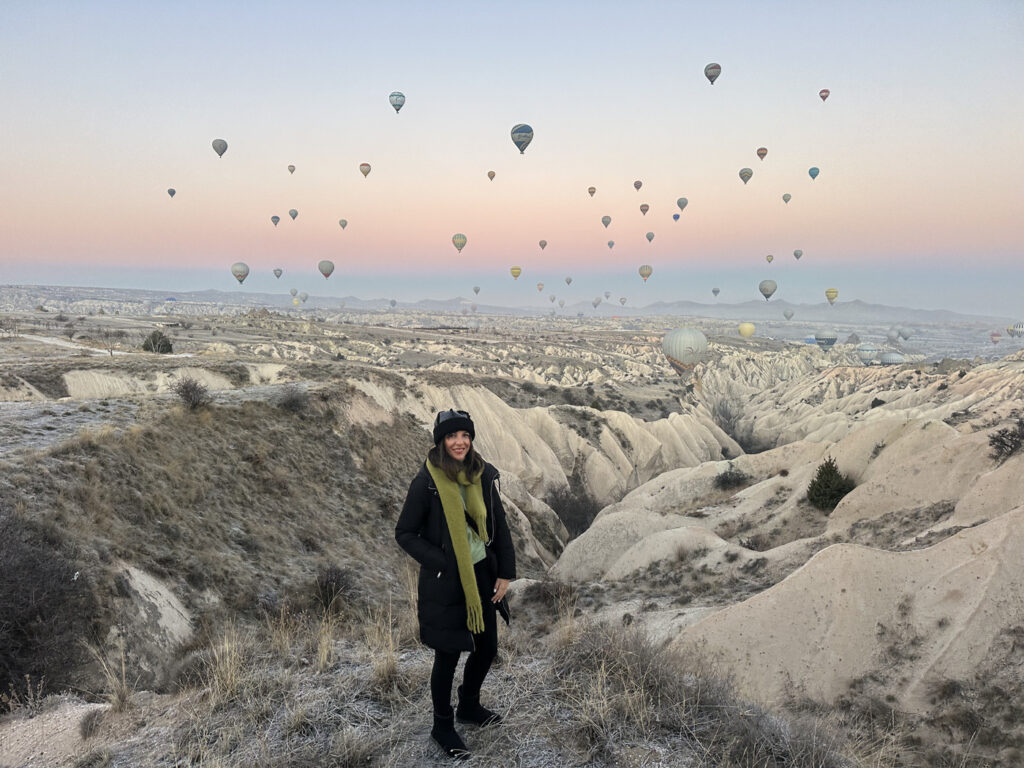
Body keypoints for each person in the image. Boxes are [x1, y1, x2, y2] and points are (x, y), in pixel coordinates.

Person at [395, 409, 516, 760]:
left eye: (464, 435)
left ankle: (468, 706)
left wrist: (505, 572)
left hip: (481, 574)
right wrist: (442, 561)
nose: (459, 442)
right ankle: (442, 725)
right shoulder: (427, 483)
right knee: (447, 655)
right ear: (441, 441)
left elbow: (500, 528)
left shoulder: (482, 474)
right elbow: (404, 533)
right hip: (446, 581)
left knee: (487, 648)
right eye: (451, 436)